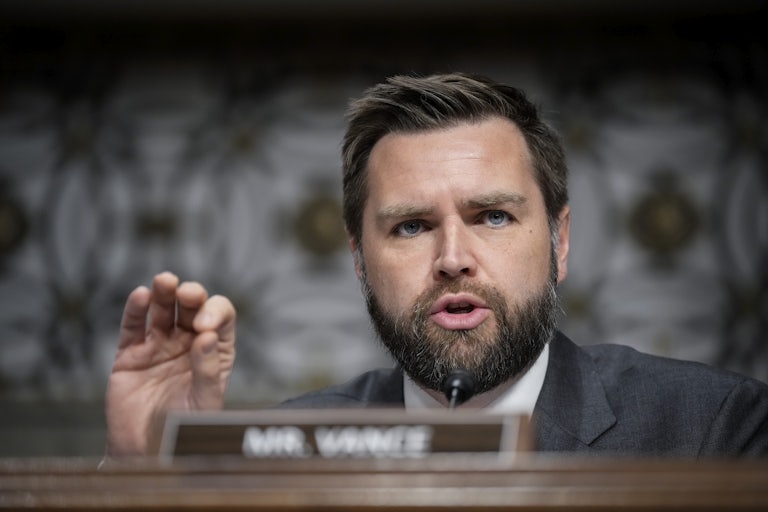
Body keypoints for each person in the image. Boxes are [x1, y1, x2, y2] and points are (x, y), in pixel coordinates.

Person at [105, 73, 768, 458]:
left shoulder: (714, 426)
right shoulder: (298, 446)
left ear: (561, 242)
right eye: (412, 226)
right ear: (360, 260)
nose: (453, 260)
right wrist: (146, 471)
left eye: (494, 217)